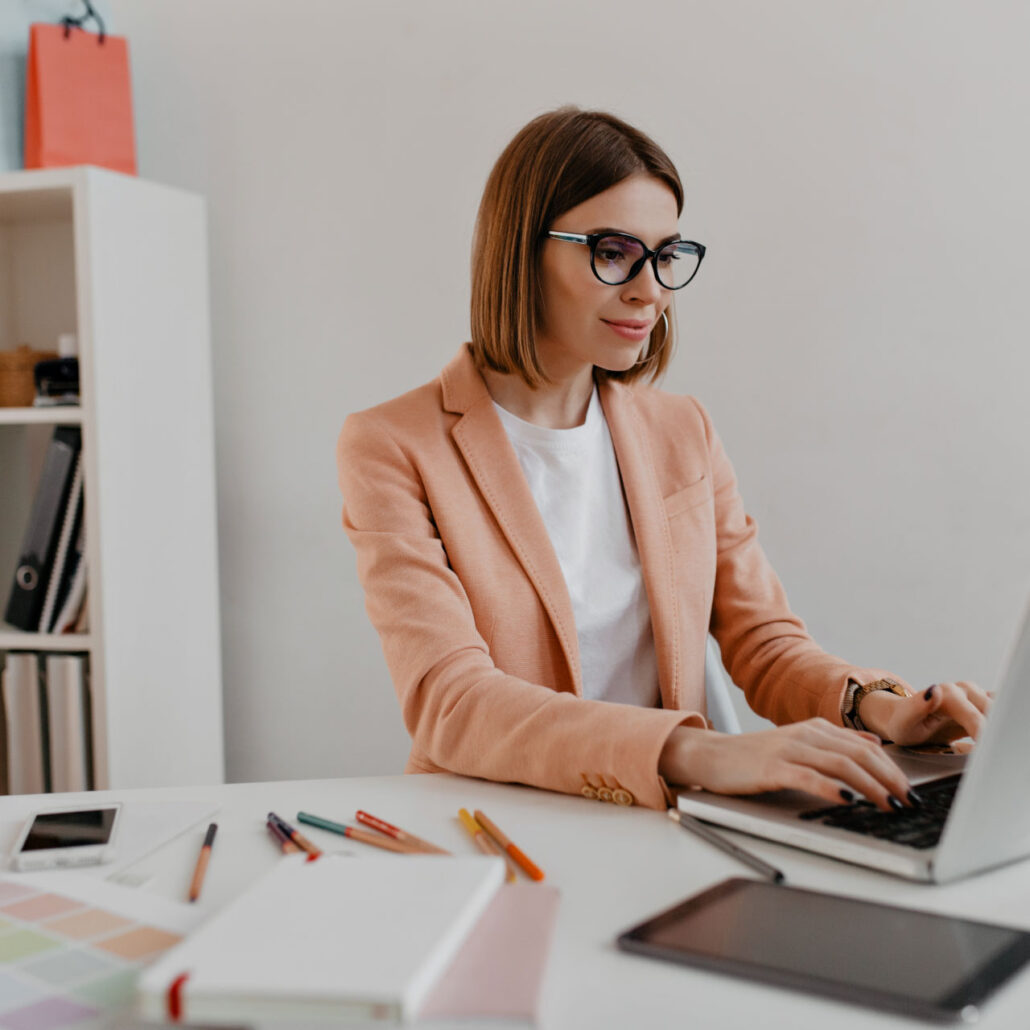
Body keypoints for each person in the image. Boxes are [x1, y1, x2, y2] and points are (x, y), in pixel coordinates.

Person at [337, 107, 990, 812]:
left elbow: (764, 643)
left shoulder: (683, 430)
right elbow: (452, 701)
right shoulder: (393, 445)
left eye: (667, 255)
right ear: (522, 251)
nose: (649, 289)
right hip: (498, 826)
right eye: (614, 252)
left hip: (662, 826)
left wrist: (884, 708)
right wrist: (697, 752)